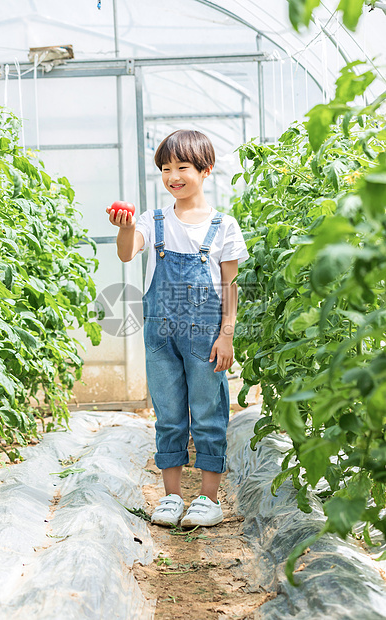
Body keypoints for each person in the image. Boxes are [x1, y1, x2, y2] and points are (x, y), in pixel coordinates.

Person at [107, 129, 248, 528]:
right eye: (166, 169)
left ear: (205, 169)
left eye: (182, 167)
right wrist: (123, 226)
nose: (173, 176)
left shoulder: (223, 226)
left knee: (208, 412)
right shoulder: (153, 221)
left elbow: (229, 285)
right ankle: (171, 498)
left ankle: (208, 499)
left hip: (206, 335)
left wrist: (227, 334)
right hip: (161, 335)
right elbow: (126, 252)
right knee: (169, 415)